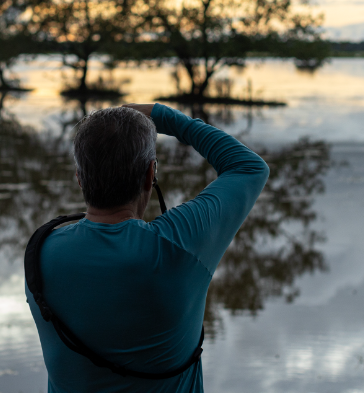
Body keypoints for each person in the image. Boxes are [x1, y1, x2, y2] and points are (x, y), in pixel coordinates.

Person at [26, 103, 269, 392]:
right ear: (150, 174)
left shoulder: (40, 252)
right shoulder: (177, 245)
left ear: (79, 178)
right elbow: (248, 166)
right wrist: (162, 115)